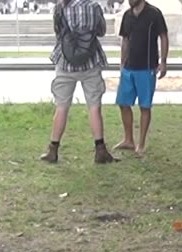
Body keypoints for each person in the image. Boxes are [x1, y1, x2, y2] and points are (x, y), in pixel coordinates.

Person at [41, 0, 117, 165]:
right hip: (90, 62)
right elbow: (101, 31)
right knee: (94, 107)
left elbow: (58, 33)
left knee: (61, 107)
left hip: (65, 64)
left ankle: (53, 149)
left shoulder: (61, 7)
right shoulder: (94, 7)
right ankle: (100, 150)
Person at [113, 0, 168, 158]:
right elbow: (125, 40)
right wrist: (122, 62)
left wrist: (163, 62)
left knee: (144, 106)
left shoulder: (154, 14)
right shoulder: (127, 15)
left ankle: (141, 144)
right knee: (123, 103)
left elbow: (163, 36)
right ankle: (128, 139)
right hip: (129, 68)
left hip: (147, 68)